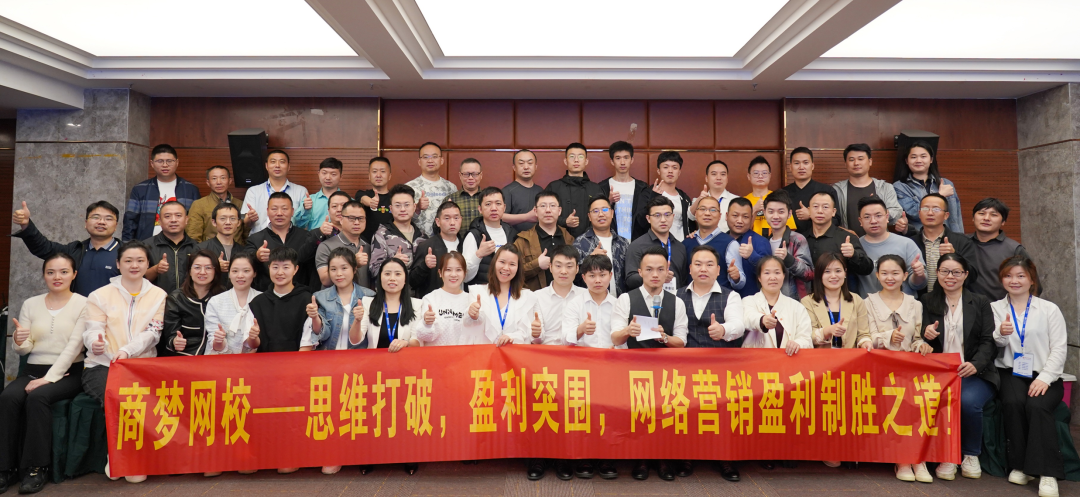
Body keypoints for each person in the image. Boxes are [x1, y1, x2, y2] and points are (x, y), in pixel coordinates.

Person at [81, 240, 167, 484]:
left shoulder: (158, 295)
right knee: (117, 397)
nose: (134, 265)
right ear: (118, 264)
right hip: (103, 365)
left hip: (142, 366)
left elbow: (153, 333)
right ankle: (120, 457)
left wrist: (127, 351)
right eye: (128, 260)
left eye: (140, 260)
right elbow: (92, 330)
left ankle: (137, 457)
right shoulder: (99, 295)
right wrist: (95, 344)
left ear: (148, 264)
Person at [0, 254, 86, 494]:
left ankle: (36, 468)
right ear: (44, 275)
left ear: (74, 275)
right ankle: (6, 468)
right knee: (8, 398)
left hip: (69, 372)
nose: (57, 277)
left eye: (64, 272)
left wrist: (48, 379)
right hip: (33, 369)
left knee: (38, 397)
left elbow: (74, 347)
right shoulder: (31, 304)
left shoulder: (84, 303)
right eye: (50, 272)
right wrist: (19, 341)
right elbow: (25, 349)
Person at [918, 253, 998, 482]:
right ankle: (947, 456)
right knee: (934, 399)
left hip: (974, 371)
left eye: (956, 272)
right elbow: (922, 338)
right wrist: (926, 335)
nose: (950, 276)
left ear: (965, 275)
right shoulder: (927, 301)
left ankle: (971, 454)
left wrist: (976, 364)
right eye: (944, 271)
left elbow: (988, 341)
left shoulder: (980, 302)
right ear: (937, 274)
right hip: (940, 372)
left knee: (967, 401)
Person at [991, 256, 1067, 497]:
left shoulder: (1049, 309)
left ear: (1032, 279)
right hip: (1010, 371)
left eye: (1020, 276)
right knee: (1013, 402)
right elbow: (995, 345)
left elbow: (1059, 348)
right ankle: (1020, 465)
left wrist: (1045, 377)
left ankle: (1047, 473)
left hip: (1046, 373)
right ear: (1002, 279)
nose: (1014, 281)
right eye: (1008, 276)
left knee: (1037, 406)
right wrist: (1001, 334)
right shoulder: (994, 308)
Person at [611, 246, 687, 481]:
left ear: (668, 271)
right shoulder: (625, 299)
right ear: (640, 272)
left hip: (666, 370)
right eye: (650, 269)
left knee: (665, 416)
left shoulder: (677, 302)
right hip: (634, 369)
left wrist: (665, 338)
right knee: (640, 415)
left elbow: (681, 342)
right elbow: (615, 338)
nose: (655, 274)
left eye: (660, 269)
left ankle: (664, 460)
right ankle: (641, 460)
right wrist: (628, 331)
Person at [561, 254, 622, 480]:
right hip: (582, 369)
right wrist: (580, 330)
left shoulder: (618, 304)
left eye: (602, 275)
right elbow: (564, 338)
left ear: (610, 276)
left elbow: (623, 339)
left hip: (610, 368)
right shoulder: (574, 304)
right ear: (584, 277)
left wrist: (617, 350)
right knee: (583, 416)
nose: (598, 280)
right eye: (592, 275)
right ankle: (583, 458)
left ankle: (607, 458)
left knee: (608, 415)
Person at [12, 200, 121, 296]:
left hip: (113, 312)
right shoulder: (75, 250)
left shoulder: (125, 253)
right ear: (86, 223)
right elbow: (44, 248)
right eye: (95, 217)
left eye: (108, 218)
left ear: (116, 226)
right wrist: (26, 225)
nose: (101, 222)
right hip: (77, 311)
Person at [462, 245, 542, 347]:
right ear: (494, 263)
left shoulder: (529, 297)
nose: (506, 268)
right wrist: (473, 315)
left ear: (518, 268)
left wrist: (535, 334)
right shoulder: (477, 292)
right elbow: (468, 327)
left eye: (512, 264)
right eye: (502, 262)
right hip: (485, 355)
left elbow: (537, 338)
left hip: (514, 355)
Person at [122, 144, 200, 241]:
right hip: (146, 244)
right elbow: (130, 221)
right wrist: (127, 246)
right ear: (152, 163)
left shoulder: (190, 189)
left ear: (177, 162)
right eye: (160, 161)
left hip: (181, 245)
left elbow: (196, 222)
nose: (165, 165)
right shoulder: (140, 189)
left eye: (169, 161)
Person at [244, 192, 319, 292]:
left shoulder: (306, 237)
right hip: (266, 296)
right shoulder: (255, 239)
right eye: (274, 209)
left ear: (292, 211)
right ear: (267, 211)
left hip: (301, 296)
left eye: (284, 209)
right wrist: (256, 256)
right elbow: (245, 265)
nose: (279, 213)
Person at [302, 247, 372, 353]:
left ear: (354, 269)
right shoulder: (320, 297)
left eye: (344, 268)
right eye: (333, 269)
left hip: (359, 357)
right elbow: (322, 334)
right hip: (328, 357)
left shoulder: (369, 296)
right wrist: (315, 317)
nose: (339, 274)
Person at [740, 255, 812, 353]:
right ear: (759, 278)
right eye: (767, 273)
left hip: (788, 361)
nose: (772, 277)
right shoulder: (748, 301)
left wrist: (797, 343)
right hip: (756, 361)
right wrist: (762, 320)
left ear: (783, 276)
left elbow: (806, 338)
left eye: (777, 273)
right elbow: (748, 319)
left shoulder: (797, 307)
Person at [159, 250, 225, 357]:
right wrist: (175, 341)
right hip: (184, 356)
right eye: (197, 267)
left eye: (208, 268)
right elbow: (170, 334)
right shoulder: (176, 298)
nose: (202, 272)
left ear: (215, 271)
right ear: (189, 271)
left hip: (215, 356)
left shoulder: (223, 296)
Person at [856, 197, 926, 296]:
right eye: (867, 217)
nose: (873, 221)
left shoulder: (906, 244)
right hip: (868, 304)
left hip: (904, 304)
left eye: (878, 215)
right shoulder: (856, 247)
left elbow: (920, 285)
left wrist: (918, 274)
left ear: (887, 217)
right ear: (860, 221)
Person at [250, 247, 313, 357]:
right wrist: (252, 337)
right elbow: (253, 345)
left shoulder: (307, 300)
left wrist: (296, 364)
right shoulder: (257, 302)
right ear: (269, 268)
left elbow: (308, 342)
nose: (280, 272)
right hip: (264, 362)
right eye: (275, 267)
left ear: (295, 269)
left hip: (298, 362)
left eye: (286, 267)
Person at [802, 252, 872, 351]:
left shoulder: (857, 300)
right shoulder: (807, 302)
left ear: (845, 273)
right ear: (819, 274)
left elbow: (863, 334)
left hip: (849, 357)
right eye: (827, 271)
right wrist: (827, 331)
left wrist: (865, 342)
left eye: (838, 271)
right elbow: (807, 337)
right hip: (821, 358)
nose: (833, 276)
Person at [832, 143, 904, 237]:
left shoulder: (885, 187)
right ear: (845, 164)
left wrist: (878, 213)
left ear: (870, 161)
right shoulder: (836, 190)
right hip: (847, 242)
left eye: (860, 159)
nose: (856, 163)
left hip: (879, 240)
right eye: (851, 159)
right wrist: (843, 231)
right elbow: (830, 218)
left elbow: (896, 213)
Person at [911, 193, 978, 294]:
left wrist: (954, 255)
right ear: (919, 213)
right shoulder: (911, 243)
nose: (930, 213)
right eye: (925, 209)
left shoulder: (963, 241)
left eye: (936, 209)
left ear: (946, 215)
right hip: (919, 300)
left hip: (952, 299)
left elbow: (972, 276)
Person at [893, 141, 963, 234]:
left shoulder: (946, 184)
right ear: (907, 161)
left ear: (931, 159)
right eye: (913, 157)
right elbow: (914, 213)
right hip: (919, 238)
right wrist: (940, 195)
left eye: (923, 156)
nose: (918, 160)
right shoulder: (900, 186)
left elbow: (956, 217)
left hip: (948, 237)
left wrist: (960, 239)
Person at [802, 191, 874, 279]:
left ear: (833, 212)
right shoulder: (801, 238)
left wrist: (854, 254)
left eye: (825, 207)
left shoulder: (847, 238)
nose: (820, 211)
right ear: (809, 210)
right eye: (815, 206)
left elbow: (867, 269)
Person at [624, 196, 688, 294]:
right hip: (646, 300)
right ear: (648, 218)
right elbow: (630, 279)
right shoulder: (637, 246)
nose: (663, 220)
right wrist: (657, 277)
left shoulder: (680, 247)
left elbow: (683, 280)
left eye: (667, 215)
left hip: (674, 300)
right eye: (657, 215)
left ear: (673, 216)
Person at [969, 198, 1029, 301]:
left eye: (994, 215)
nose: (986, 218)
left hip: (1004, 308)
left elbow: (1033, 284)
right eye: (981, 213)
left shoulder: (1014, 249)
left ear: (1003, 222)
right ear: (973, 218)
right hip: (968, 308)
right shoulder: (961, 243)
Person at [417, 252, 483, 346]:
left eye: (458, 270)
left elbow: (477, 336)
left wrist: (475, 317)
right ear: (440, 273)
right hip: (437, 354)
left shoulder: (472, 300)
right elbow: (425, 337)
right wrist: (427, 324)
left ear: (465, 273)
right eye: (448, 270)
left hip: (464, 354)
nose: (453, 274)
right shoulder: (430, 299)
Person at [513, 190, 574, 291]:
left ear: (559, 211)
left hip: (567, 296)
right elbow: (512, 273)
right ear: (535, 211)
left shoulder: (569, 238)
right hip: (535, 297)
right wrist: (537, 264)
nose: (548, 210)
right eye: (543, 206)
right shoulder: (523, 241)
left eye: (552, 206)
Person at [204, 252, 262, 356]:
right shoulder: (216, 301)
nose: (240, 276)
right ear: (229, 274)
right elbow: (215, 345)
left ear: (254, 273)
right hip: (220, 360)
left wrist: (253, 338)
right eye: (235, 271)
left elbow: (263, 342)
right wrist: (218, 341)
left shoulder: (263, 300)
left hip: (255, 360)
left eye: (246, 271)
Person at [240, 150, 309, 234]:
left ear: (288, 167)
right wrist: (250, 218)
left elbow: (304, 224)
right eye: (273, 162)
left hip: (290, 239)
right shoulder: (253, 191)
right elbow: (246, 224)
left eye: (282, 162)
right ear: (266, 166)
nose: (277, 165)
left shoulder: (301, 191)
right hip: (260, 239)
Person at [683, 196, 744, 292]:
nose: (707, 213)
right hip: (690, 298)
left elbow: (740, 284)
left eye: (713, 210)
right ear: (696, 214)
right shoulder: (686, 243)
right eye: (703, 209)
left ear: (720, 216)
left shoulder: (730, 243)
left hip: (720, 298)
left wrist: (736, 278)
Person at [865, 255, 924, 352]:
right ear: (877, 275)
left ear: (905, 276)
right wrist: (889, 337)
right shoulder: (868, 303)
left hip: (907, 360)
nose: (889, 278)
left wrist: (921, 346)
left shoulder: (915, 304)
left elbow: (916, 339)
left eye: (895, 273)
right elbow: (867, 337)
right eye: (884, 273)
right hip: (878, 359)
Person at [370, 184, 426, 282]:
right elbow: (374, 270)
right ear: (391, 209)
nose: (402, 209)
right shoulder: (381, 235)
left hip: (418, 291)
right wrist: (393, 263)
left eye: (407, 205)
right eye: (398, 205)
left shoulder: (422, 236)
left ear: (414, 207)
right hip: (392, 289)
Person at [462, 187, 518, 286]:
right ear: (480, 209)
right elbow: (464, 277)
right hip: (482, 291)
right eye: (488, 204)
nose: (494, 208)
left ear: (504, 207)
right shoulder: (473, 235)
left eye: (498, 203)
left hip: (508, 291)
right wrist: (478, 255)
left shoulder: (512, 233)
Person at [762, 191, 813, 298]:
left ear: (789, 214)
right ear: (764, 213)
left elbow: (809, 274)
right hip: (768, 300)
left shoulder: (798, 239)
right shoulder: (764, 242)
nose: (775, 216)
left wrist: (789, 259)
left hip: (794, 301)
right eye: (771, 212)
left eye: (781, 212)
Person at [573, 197, 629, 295]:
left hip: (620, 300)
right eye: (595, 211)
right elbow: (572, 275)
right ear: (589, 216)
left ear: (612, 213)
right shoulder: (580, 243)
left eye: (605, 209)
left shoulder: (623, 243)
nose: (601, 214)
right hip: (590, 300)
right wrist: (589, 260)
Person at [547, 142, 604, 238]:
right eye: (572, 156)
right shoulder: (554, 187)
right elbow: (543, 214)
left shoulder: (595, 188)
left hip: (590, 240)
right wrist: (564, 221)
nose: (576, 160)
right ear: (565, 161)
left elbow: (602, 216)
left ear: (586, 161)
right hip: (559, 240)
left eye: (580, 157)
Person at [530, 245, 583, 347]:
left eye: (569, 266)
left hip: (577, 353)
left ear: (577, 269)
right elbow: (537, 341)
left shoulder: (585, 296)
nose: (563, 271)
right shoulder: (537, 297)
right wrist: (535, 334)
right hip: (547, 352)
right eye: (558, 266)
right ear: (550, 267)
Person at [143, 201, 199, 295]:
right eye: (167, 216)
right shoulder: (145, 247)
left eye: (178, 215)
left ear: (186, 219)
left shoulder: (197, 247)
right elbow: (136, 279)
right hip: (156, 300)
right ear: (160, 221)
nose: (173, 220)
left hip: (189, 301)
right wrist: (156, 269)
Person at [636, 151, 694, 240]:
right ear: (658, 171)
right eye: (666, 167)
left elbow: (690, 224)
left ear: (679, 172)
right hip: (655, 245)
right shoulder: (648, 194)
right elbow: (641, 222)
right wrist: (653, 197)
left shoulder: (684, 197)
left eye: (674, 167)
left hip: (680, 245)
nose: (670, 171)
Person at [598, 141, 649, 240]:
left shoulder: (642, 188)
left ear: (632, 160)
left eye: (626, 158)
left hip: (637, 242)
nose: (622, 162)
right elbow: (595, 215)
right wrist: (609, 202)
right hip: (610, 241)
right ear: (612, 161)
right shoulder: (602, 187)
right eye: (618, 158)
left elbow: (646, 217)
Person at [411, 202, 463, 297]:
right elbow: (413, 282)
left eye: (456, 218)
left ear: (461, 219)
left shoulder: (466, 244)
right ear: (438, 222)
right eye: (447, 218)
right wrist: (424, 266)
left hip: (461, 301)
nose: (452, 222)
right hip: (434, 302)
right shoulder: (427, 246)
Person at [315, 200, 371, 291]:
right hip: (334, 299)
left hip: (364, 298)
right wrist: (353, 263)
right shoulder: (326, 246)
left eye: (361, 218)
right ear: (341, 220)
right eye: (351, 218)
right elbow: (325, 281)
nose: (357, 222)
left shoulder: (368, 247)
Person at [781, 147, 839, 234]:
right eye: (797, 163)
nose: (801, 167)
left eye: (805, 163)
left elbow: (836, 220)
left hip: (820, 239)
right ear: (790, 167)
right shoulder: (782, 193)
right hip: (790, 240)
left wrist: (811, 215)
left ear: (812, 166)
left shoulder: (827, 190)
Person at [187, 165, 247, 244]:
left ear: (230, 181)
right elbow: (193, 236)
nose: (219, 182)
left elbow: (247, 234)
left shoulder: (241, 204)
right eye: (214, 178)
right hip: (210, 250)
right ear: (208, 182)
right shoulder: (199, 205)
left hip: (237, 250)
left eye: (223, 178)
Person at [406, 142, 456, 237]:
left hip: (445, 240)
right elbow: (400, 220)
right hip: (417, 241)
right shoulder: (409, 187)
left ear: (441, 160)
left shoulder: (451, 187)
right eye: (425, 157)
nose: (430, 160)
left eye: (434, 156)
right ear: (419, 161)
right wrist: (417, 208)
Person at [725, 198, 772, 298]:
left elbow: (769, 273)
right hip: (723, 301)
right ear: (726, 216)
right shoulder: (720, 240)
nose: (739, 221)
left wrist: (752, 256)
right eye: (735, 215)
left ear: (751, 219)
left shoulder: (761, 242)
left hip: (751, 301)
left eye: (745, 217)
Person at [743, 156, 795, 236]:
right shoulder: (743, 201)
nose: (760, 176)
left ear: (770, 175)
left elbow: (790, 230)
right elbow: (741, 231)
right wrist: (754, 210)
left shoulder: (779, 198)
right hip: (751, 242)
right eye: (756, 173)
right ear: (748, 176)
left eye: (764, 173)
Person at [196, 203, 242, 288]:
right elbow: (192, 275)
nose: (228, 222)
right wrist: (214, 267)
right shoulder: (202, 249)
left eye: (232, 218)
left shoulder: (243, 251)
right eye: (223, 218)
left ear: (239, 222)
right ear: (214, 222)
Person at [689, 159, 740, 233]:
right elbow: (690, 216)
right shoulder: (698, 200)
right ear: (706, 178)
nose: (718, 178)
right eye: (714, 174)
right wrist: (700, 199)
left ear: (727, 179)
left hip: (728, 239)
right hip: (705, 239)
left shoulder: (736, 200)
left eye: (723, 174)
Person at [294, 157, 343, 231]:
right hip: (315, 238)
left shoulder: (349, 201)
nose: (328, 178)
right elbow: (297, 225)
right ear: (318, 174)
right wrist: (305, 210)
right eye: (324, 173)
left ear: (341, 177)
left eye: (333, 174)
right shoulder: (310, 200)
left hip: (340, 238)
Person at [356, 156, 394, 243]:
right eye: (374, 171)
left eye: (383, 171)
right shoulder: (362, 194)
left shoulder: (395, 198)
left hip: (391, 244)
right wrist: (371, 202)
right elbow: (362, 199)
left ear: (389, 176)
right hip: (366, 244)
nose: (378, 175)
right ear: (369, 176)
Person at [502, 149, 542, 231]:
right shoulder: (507, 191)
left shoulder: (541, 191)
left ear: (536, 167)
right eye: (521, 163)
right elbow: (500, 217)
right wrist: (527, 217)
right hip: (514, 238)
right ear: (514, 168)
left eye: (530, 163)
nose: (526, 167)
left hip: (538, 237)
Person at [445, 158, 484, 230]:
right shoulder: (450, 199)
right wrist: (446, 215)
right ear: (460, 175)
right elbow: (437, 227)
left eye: (474, 174)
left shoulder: (488, 199)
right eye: (466, 174)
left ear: (481, 175)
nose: (470, 178)